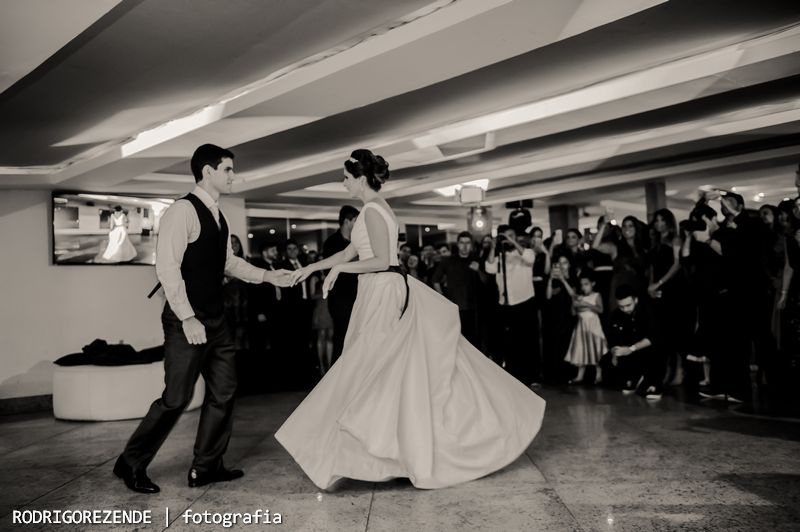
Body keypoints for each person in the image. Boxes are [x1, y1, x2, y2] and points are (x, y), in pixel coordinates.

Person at [275, 149, 545, 490]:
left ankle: (384, 450)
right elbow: (349, 251)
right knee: (380, 368)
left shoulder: (373, 210)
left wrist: (340, 270)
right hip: (376, 288)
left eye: (345, 178)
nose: (342, 183)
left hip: (382, 289)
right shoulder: (370, 210)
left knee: (374, 365)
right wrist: (315, 267)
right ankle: (380, 451)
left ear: (360, 179)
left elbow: (381, 261)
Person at [114, 144, 291, 494]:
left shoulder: (219, 216)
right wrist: (188, 318)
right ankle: (130, 461)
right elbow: (166, 268)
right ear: (207, 172)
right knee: (176, 398)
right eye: (227, 169)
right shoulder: (182, 211)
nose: (232, 175)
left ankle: (207, 466)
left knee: (224, 392)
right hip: (187, 323)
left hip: (217, 322)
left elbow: (229, 263)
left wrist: (270, 276)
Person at [484, 225, 542, 386]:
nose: (507, 238)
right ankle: (514, 375)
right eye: (504, 236)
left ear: (516, 237)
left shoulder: (524, 253)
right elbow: (489, 268)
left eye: (510, 235)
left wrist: (512, 242)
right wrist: (494, 247)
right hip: (506, 304)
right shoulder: (500, 257)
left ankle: (532, 376)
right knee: (510, 342)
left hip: (525, 302)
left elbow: (530, 259)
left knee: (528, 342)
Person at [601, 285, 661, 400]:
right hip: (628, 351)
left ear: (636, 300)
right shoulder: (615, 315)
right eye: (621, 306)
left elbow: (653, 337)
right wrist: (615, 351)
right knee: (607, 368)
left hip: (647, 350)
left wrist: (631, 349)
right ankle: (633, 378)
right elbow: (612, 337)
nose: (625, 309)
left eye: (628, 305)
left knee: (657, 351)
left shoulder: (647, 311)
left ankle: (653, 382)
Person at [322, 205, 360, 364]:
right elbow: (328, 271)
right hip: (340, 298)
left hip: (357, 296)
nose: (358, 224)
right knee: (342, 336)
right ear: (347, 221)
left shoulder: (357, 242)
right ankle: (335, 378)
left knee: (356, 338)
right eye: (356, 220)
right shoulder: (331, 243)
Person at [432, 231, 482, 346]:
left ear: (471, 245)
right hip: (454, 307)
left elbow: (487, 281)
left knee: (472, 342)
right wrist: (443, 299)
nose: (464, 246)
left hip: (474, 308)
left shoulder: (477, 259)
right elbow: (435, 279)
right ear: (457, 244)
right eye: (462, 242)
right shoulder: (448, 261)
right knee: (455, 340)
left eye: (467, 243)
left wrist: (478, 270)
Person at [563, 271, 607, 385]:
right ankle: (580, 375)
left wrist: (587, 304)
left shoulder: (596, 295)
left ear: (593, 283)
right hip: (582, 325)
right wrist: (574, 304)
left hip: (593, 325)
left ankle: (599, 374)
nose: (584, 287)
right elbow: (573, 313)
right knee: (581, 348)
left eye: (586, 284)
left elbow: (601, 310)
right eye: (582, 285)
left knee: (596, 347)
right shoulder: (580, 297)